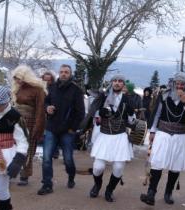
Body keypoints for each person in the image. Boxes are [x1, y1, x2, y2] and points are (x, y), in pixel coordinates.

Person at [140, 72, 185, 206]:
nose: (179, 86)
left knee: (175, 166)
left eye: (182, 84)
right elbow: (157, 113)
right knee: (157, 163)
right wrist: (152, 130)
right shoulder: (164, 95)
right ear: (173, 83)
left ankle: (168, 192)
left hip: (181, 135)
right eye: (177, 83)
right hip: (163, 133)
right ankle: (151, 192)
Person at [86, 74, 135, 202]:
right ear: (112, 83)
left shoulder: (128, 99)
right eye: (115, 81)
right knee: (98, 167)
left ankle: (109, 190)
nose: (117, 83)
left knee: (118, 168)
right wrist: (99, 114)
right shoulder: (103, 96)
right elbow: (93, 113)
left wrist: (131, 114)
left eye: (120, 81)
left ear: (123, 84)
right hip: (104, 135)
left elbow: (132, 121)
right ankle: (97, 185)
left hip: (120, 136)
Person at [37, 64, 85, 195]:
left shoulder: (76, 90)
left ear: (70, 74)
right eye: (62, 72)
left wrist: (72, 129)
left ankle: (71, 176)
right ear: (59, 73)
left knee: (68, 159)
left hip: (67, 130)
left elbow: (81, 113)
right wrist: (47, 108)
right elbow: (45, 102)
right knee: (46, 158)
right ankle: (47, 184)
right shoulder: (52, 87)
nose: (63, 74)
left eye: (66, 72)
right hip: (52, 127)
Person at [0, 85, 28, 210]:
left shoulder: (14, 117)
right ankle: (6, 203)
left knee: (0, 188)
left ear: (6, 102)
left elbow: (23, 141)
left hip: (4, 156)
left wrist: (17, 162)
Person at [11, 65, 47, 186]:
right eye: (15, 78)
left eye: (19, 77)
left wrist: (38, 128)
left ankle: (25, 175)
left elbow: (40, 110)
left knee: (28, 148)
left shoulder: (38, 89)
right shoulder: (17, 88)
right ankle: (10, 172)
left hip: (29, 122)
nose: (17, 80)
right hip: (15, 121)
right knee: (13, 147)